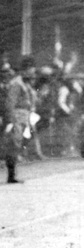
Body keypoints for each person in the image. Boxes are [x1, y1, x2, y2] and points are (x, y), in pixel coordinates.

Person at [3, 55, 36, 183]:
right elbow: (10, 103)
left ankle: (12, 174)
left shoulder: (24, 83)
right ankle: (11, 175)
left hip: (23, 118)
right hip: (16, 117)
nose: (32, 74)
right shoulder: (17, 83)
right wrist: (10, 121)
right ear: (25, 70)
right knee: (14, 145)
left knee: (17, 145)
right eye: (31, 71)